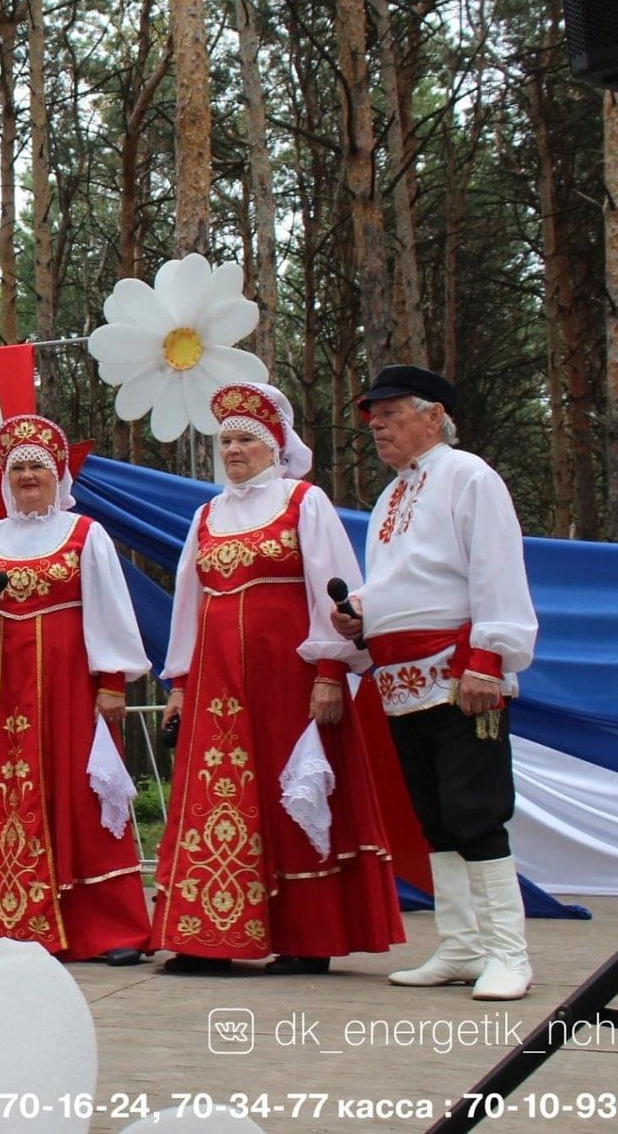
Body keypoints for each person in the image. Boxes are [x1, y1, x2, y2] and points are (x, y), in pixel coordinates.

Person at [151, 384, 404, 973]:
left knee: (288, 793)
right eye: (226, 441)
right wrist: (180, 683)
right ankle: (209, 937)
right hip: (217, 686)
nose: (233, 450)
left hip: (288, 679)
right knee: (217, 796)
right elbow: (188, 601)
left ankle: (304, 937)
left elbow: (334, 588)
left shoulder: (303, 502)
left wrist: (328, 671)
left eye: (246, 440)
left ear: (275, 447)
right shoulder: (207, 514)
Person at [333, 365, 539, 1001]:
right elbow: (408, 579)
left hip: (458, 673)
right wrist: (361, 610)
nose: (376, 426)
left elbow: (495, 568)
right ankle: (460, 946)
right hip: (401, 678)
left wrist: (489, 659)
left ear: (432, 415)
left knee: (476, 810)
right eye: (372, 416)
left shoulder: (469, 475)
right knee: (436, 816)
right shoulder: (391, 497)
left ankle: (509, 952)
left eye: (390, 413)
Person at [0, 415, 153, 965]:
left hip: (69, 684)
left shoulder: (86, 536)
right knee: (2, 793)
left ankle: (109, 928)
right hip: (3, 688)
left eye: (38, 465)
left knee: (80, 792)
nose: (28, 475)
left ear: (59, 475)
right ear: (5, 479)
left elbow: (110, 612)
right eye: (18, 468)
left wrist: (111, 684)